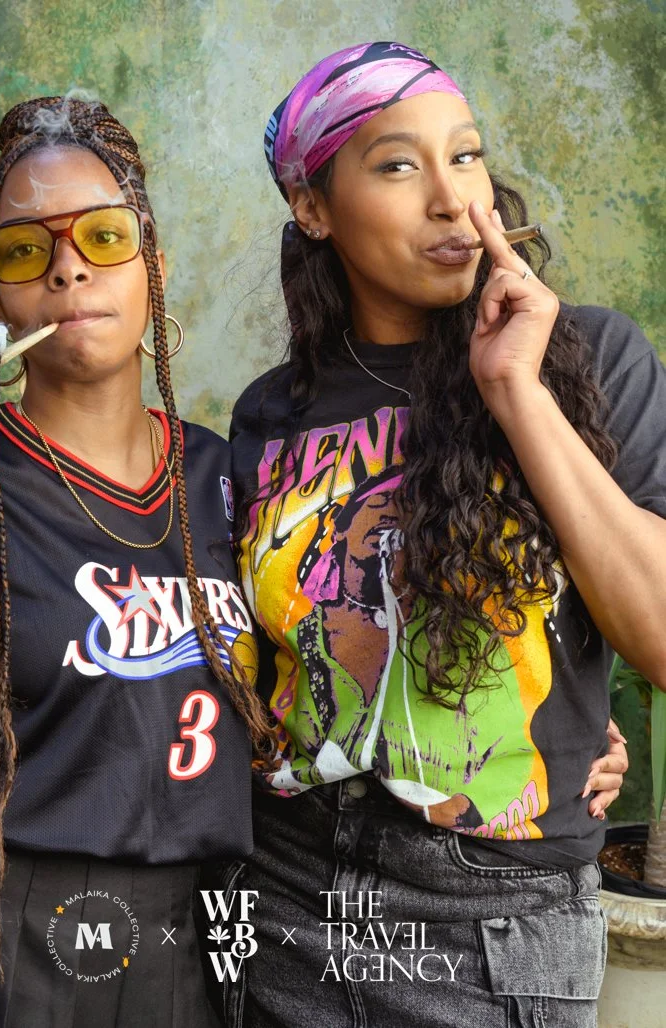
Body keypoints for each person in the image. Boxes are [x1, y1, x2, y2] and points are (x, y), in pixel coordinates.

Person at [224, 42, 648, 1027]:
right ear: (313, 206)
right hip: (283, 895)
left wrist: (515, 390)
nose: (454, 199)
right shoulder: (268, 416)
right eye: (398, 166)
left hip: (491, 922)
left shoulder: (590, 360)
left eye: (465, 156)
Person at [0, 95, 274, 1028]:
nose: (68, 267)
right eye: (24, 250)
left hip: (192, 945)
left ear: (154, 263)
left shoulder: (232, 481)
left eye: (104, 237)